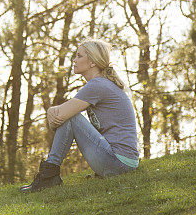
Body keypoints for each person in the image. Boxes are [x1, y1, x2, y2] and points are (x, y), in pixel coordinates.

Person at [20, 38, 139, 192]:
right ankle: (50, 174)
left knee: (72, 117)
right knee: (70, 116)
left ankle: (49, 175)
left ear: (92, 63)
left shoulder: (97, 85)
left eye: (79, 56)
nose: (74, 60)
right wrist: (52, 112)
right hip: (124, 163)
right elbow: (57, 118)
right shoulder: (101, 84)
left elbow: (61, 117)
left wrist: (52, 112)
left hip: (118, 163)